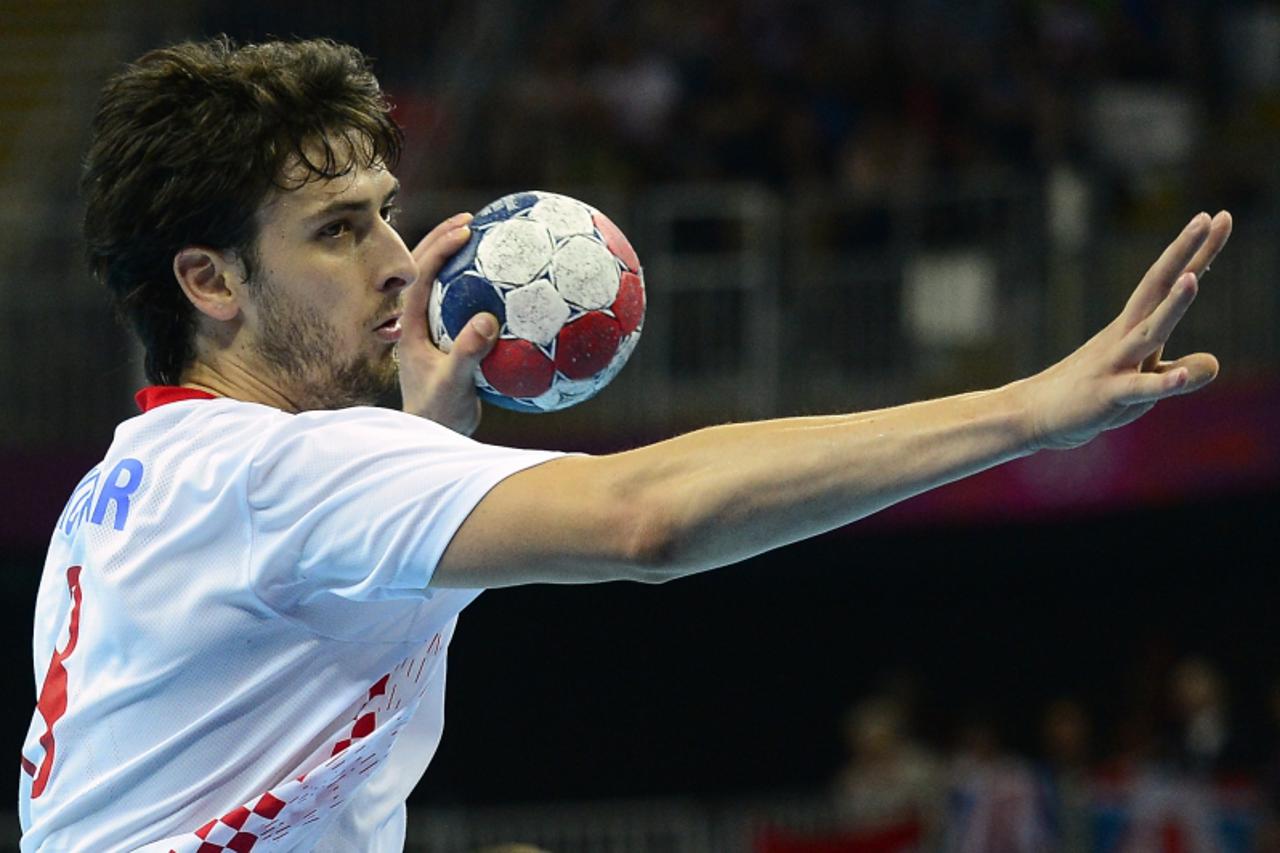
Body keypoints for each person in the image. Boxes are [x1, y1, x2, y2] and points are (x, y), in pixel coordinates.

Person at [18, 36, 1231, 852]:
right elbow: (647, 518)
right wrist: (1027, 410)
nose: (396, 260)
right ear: (209, 280)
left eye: (385, 212)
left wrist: (421, 441)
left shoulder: (118, 497)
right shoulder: (275, 474)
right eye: (337, 232)